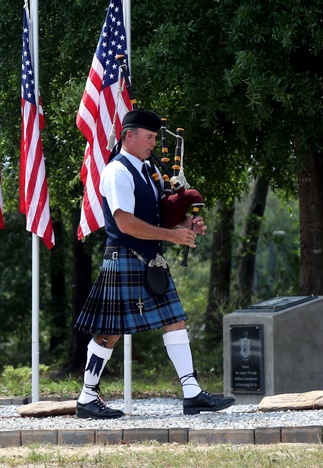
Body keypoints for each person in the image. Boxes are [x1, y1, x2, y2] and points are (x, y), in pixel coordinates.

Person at [73, 109, 235, 419]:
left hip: (149, 259)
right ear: (129, 136)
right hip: (124, 256)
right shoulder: (117, 171)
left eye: (154, 138)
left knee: (175, 319)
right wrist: (172, 238)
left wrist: (186, 225)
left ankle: (192, 394)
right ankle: (87, 397)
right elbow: (126, 223)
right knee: (110, 331)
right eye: (149, 137)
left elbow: (156, 215)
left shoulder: (146, 170)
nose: (153, 143)